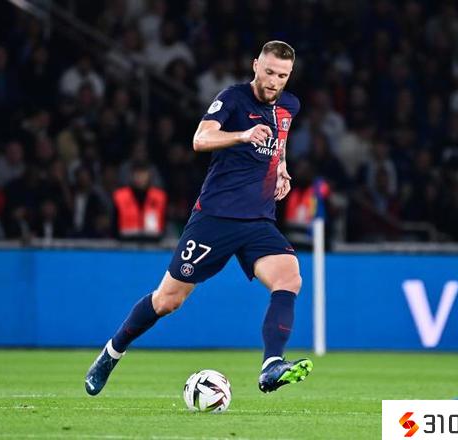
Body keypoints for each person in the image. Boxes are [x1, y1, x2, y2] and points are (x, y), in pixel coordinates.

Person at [85, 41, 312, 396]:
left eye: (281, 76)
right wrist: (243, 135)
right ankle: (111, 353)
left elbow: (278, 140)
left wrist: (281, 167)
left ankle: (272, 364)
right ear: (255, 65)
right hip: (215, 219)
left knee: (289, 277)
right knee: (167, 300)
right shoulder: (233, 99)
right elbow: (200, 138)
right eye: (268, 72)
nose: (273, 81)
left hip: (258, 221)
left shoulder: (289, 105)